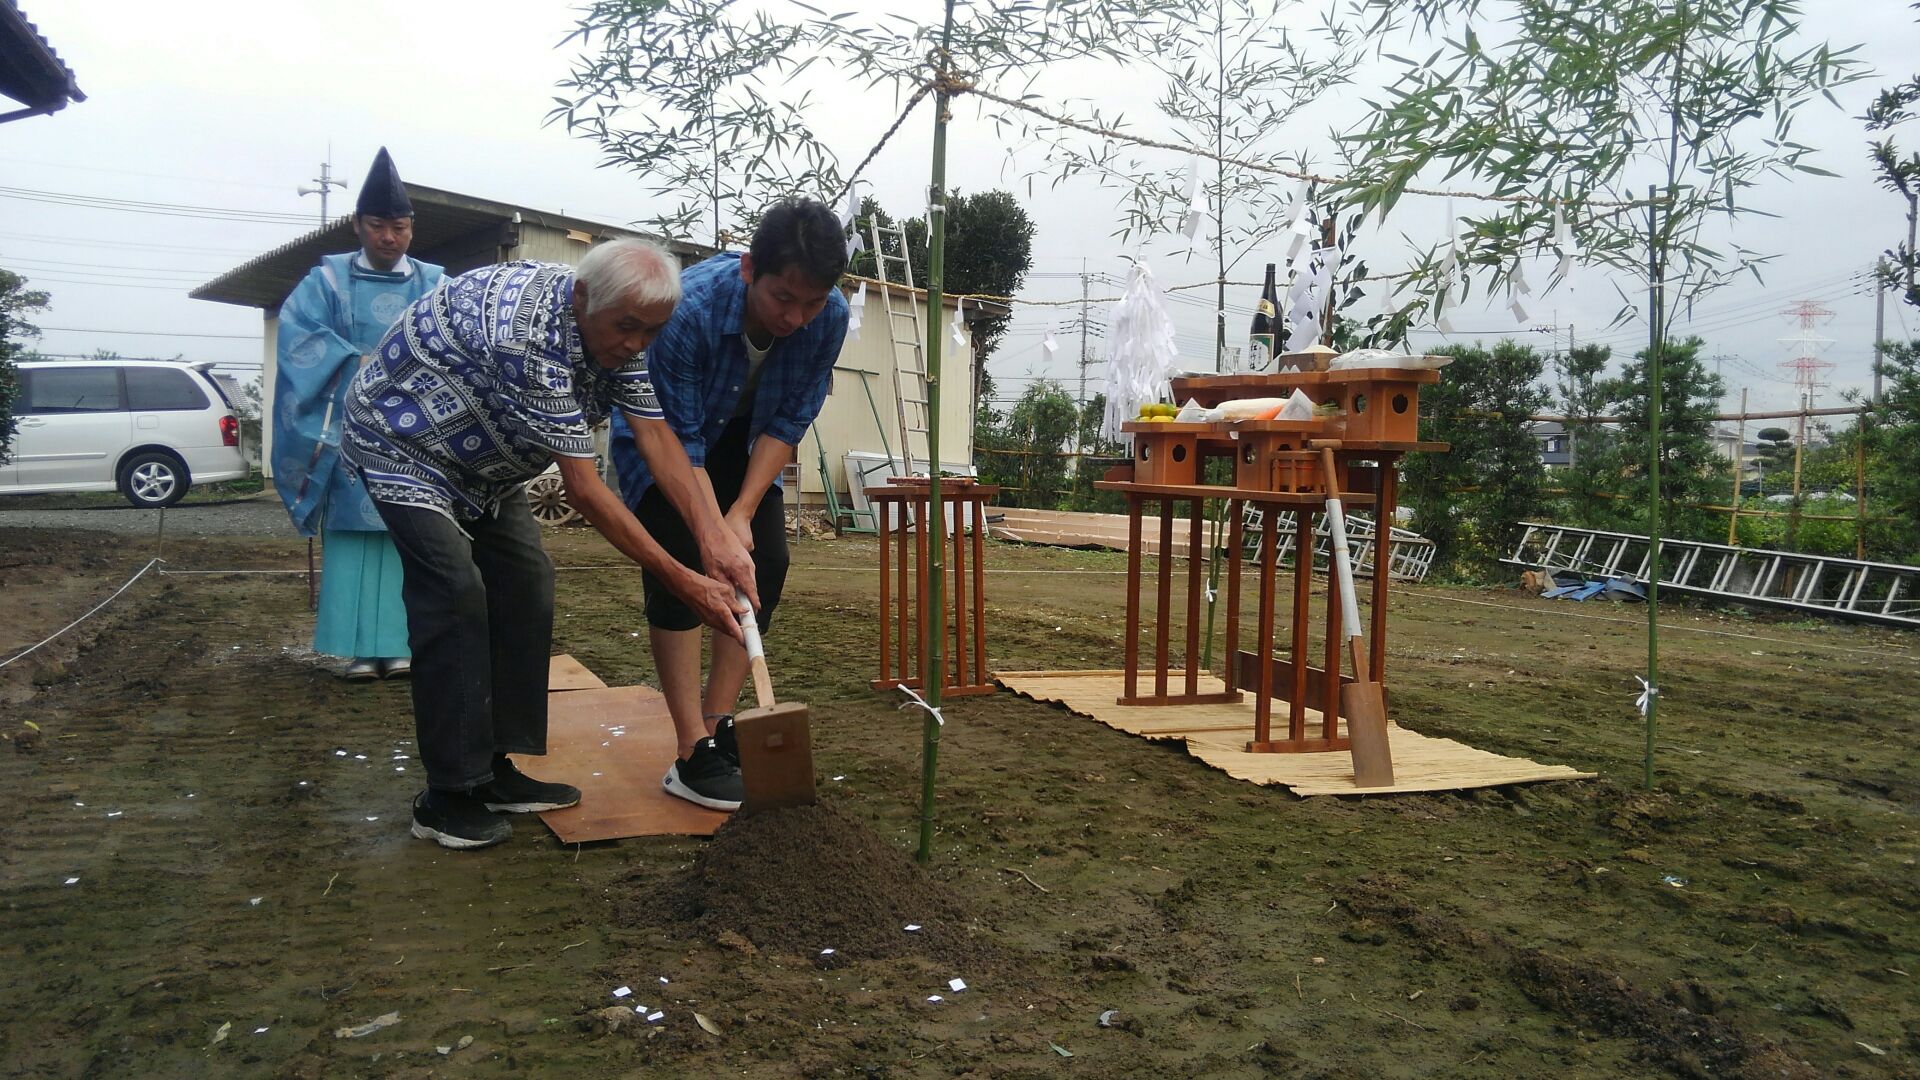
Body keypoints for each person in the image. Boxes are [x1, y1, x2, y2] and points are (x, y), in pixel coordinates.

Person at [341, 239, 757, 850]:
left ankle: (494, 766)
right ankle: (448, 794)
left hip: (485, 464)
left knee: (527, 581)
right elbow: (585, 489)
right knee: (456, 595)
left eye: (651, 331)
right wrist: (680, 576)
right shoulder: (529, 337)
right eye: (627, 329)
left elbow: (655, 435)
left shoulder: (623, 328)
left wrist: (711, 537)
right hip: (406, 447)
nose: (637, 343)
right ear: (583, 298)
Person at [610, 198, 849, 812]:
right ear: (749, 269)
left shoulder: (830, 317)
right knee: (688, 566)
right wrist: (711, 531)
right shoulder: (688, 308)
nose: (797, 317)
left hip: (746, 448)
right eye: (783, 299)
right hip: (667, 444)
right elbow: (678, 437)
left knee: (764, 562)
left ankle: (717, 729)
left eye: (813, 302)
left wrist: (740, 513)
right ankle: (691, 751)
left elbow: (791, 418)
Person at [273, 148, 443, 681]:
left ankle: (403, 645)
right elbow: (299, 340)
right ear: (357, 226)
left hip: (414, 432)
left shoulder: (435, 283)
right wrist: (361, 361)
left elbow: (455, 345)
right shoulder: (326, 282)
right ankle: (359, 649)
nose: (387, 237)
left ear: (412, 229)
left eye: (398, 227)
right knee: (352, 536)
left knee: (409, 535)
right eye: (377, 226)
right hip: (347, 429)